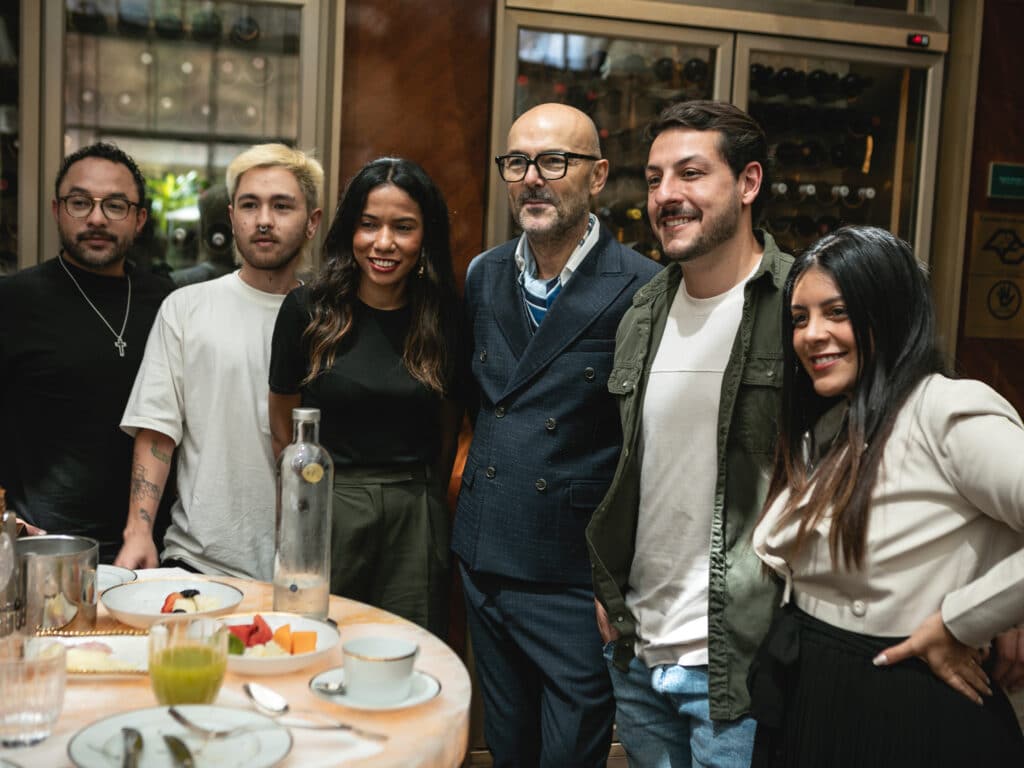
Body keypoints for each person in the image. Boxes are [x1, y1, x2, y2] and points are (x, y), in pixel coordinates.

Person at [749, 225, 1024, 767]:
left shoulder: (945, 410)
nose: (811, 335)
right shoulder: (834, 422)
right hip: (813, 689)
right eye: (800, 319)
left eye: (837, 312)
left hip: (904, 706)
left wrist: (964, 620)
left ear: (890, 313)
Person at [453, 102, 661, 767]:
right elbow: (476, 405)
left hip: (573, 573)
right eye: (517, 163)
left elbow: (647, 447)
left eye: (554, 161)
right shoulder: (484, 275)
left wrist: (620, 580)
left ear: (597, 176)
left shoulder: (642, 288)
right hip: (486, 553)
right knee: (508, 746)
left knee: (570, 751)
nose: (532, 178)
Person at [587, 100, 792, 767]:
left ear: (749, 183)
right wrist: (612, 596)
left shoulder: (801, 306)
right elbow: (636, 471)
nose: (666, 195)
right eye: (653, 178)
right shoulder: (645, 308)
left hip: (739, 659)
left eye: (691, 174)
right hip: (640, 647)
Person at [268, 157, 463, 636]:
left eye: (403, 228)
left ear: (426, 237)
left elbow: (450, 428)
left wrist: (424, 499)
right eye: (369, 224)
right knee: (316, 643)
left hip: (414, 513)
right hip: (327, 505)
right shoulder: (307, 310)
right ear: (349, 229)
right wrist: (305, 506)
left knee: (411, 653)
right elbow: (283, 427)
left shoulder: (445, 317)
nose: (383, 243)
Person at [114, 143, 324, 578]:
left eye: (282, 206)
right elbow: (157, 430)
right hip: (198, 561)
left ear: (312, 223)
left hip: (306, 569)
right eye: (250, 205)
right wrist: (138, 532)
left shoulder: (331, 319)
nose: (263, 220)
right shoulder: (186, 307)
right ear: (231, 217)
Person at [0, 143, 172, 562]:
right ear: (57, 210)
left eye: (115, 205)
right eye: (80, 203)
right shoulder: (13, 301)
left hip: (156, 549)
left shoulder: (170, 302)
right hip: (42, 549)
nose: (96, 218)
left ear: (139, 219)